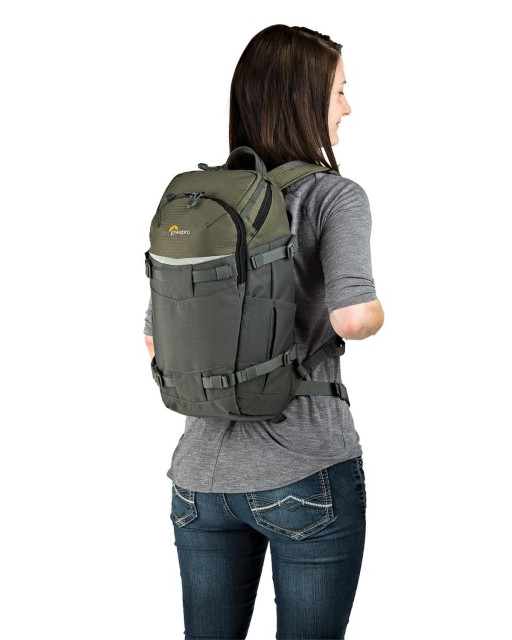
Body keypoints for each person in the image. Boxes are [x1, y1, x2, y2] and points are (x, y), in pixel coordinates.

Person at [144, 24, 384, 640]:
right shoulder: (333, 197)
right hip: (305, 469)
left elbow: (154, 340)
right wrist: (376, 314)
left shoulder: (200, 205)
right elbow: (354, 317)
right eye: (339, 91)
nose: (348, 107)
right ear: (303, 99)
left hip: (199, 480)